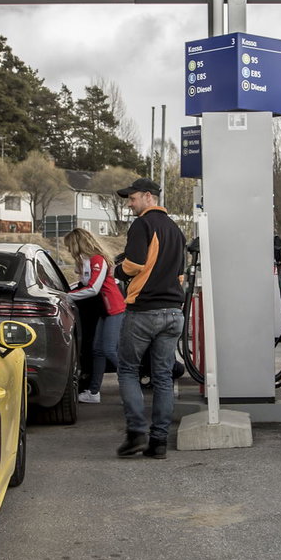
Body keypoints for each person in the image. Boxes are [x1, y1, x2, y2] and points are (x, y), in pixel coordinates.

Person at [112, 177, 187, 459]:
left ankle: (136, 434)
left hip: (144, 311)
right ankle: (159, 442)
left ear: (148, 196)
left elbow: (134, 264)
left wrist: (117, 270)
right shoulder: (176, 231)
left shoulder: (142, 225)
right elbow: (180, 276)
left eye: (132, 199)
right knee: (163, 376)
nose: (130, 205)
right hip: (173, 313)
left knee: (128, 370)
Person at [63, 228, 126, 405]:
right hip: (104, 309)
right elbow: (85, 284)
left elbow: (93, 288)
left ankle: (131, 384)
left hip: (114, 308)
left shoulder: (97, 259)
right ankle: (93, 392)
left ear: (77, 244)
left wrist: (66, 296)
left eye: (69, 246)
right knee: (98, 350)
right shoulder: (87, 261)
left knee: (109, 350)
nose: (68, 249)